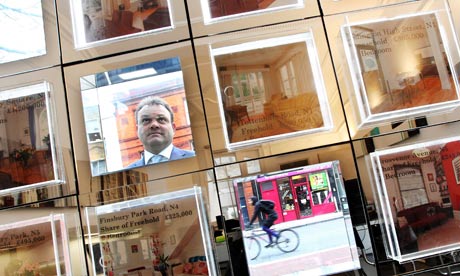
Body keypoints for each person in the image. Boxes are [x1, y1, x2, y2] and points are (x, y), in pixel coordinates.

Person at [126, 96, 195, 168]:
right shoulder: (127, 174)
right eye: (146, 120)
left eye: (161, 119)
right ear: (137, 130)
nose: (154, 125)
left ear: (173, 128)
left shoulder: (195, 160)